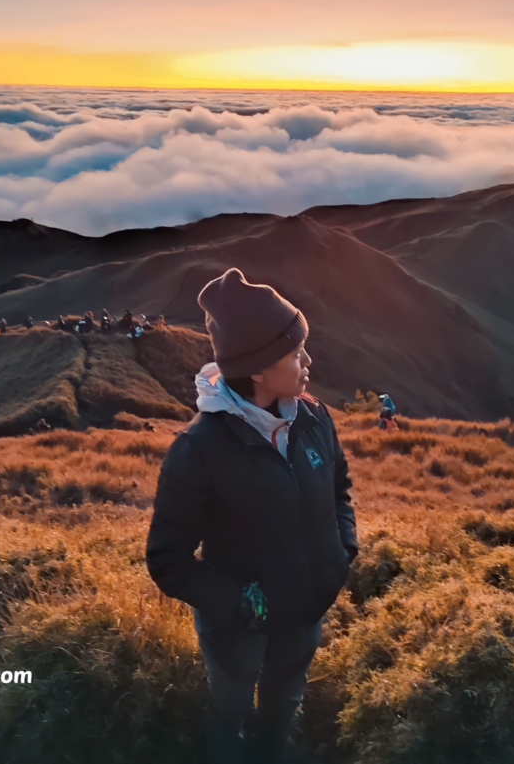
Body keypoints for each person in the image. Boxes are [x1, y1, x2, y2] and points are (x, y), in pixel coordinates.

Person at [146, 268, 358, 764]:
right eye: (296, 352)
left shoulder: (314, 417)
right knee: (231, 709)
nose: (308, 361)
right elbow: (167, 560)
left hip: (304, 613)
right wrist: (244, 604)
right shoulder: (198, 450)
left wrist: (342, 550)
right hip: (238, 630)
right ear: (259, 368)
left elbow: (340, 491)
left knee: (283, 706)